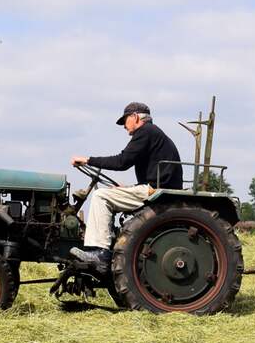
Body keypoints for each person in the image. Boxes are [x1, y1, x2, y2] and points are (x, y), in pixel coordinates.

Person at [69, 102, 183, 273]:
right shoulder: (153, 133)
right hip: (153, 187)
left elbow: (122, 162)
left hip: (155, 190)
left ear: (135, 117)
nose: (124, 126)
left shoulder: (145, 131)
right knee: (111, 192)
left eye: (125, 120)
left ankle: (101, 254)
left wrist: (88, 160)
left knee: (101, 196)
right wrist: (128, 188)